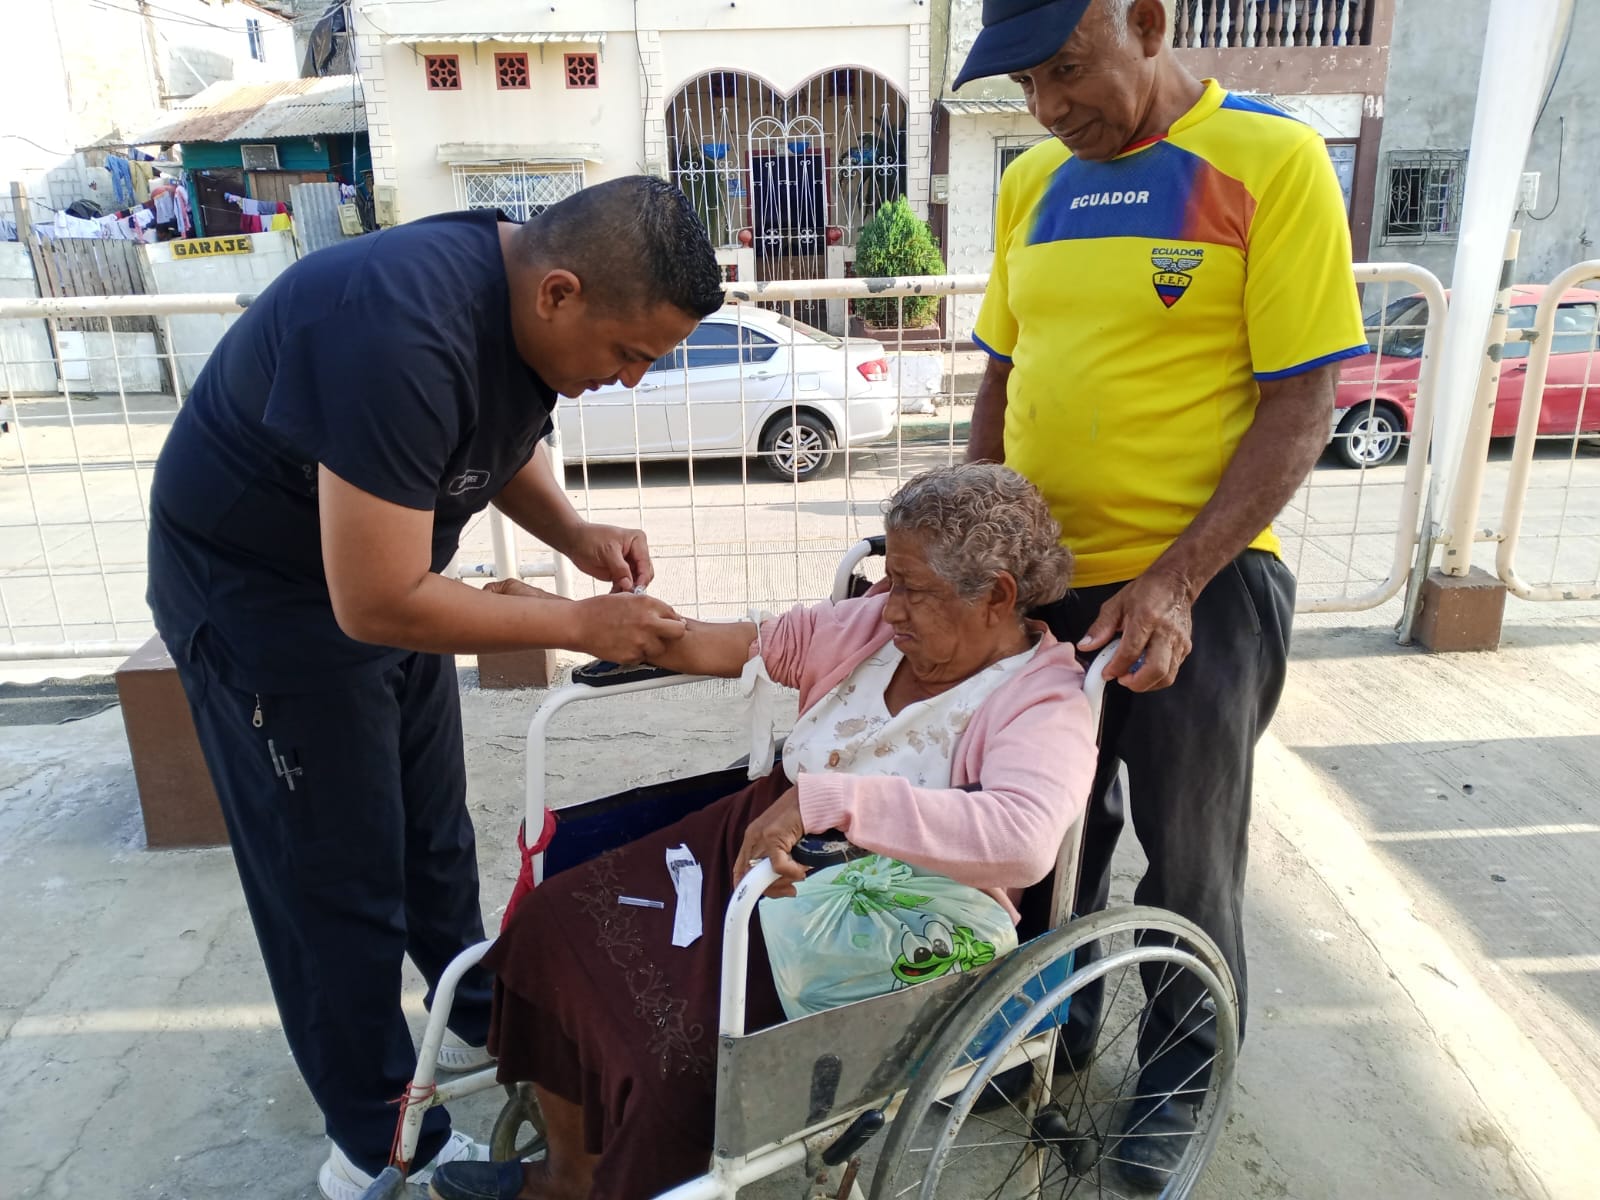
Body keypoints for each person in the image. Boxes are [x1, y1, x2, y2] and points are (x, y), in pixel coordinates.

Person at [145, 176, 726, 1200]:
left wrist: (574, 535)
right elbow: (376, 602)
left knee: (431, 836)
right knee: (336, 878)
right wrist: (577, 623)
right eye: (630, 352)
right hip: (266, 601)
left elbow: (495, 438)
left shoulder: (521, 305)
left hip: (395, 578)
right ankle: (375, 1140)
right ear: (558, 293)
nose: (632, 379)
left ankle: (473, 1010)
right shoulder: (395, 332)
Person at [427, 464, 1098, 1200]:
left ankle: (633, 1175)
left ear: (996, 595)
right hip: (747, 838)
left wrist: (832, 801)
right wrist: (569, 615)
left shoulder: (1043, 698)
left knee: (676, 1041)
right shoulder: (867, 629)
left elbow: (1023, 840)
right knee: (556, 921)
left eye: (913, 588)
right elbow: (706, 643)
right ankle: (571, 1176)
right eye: (890, 578)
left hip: (875, 911)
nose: (889, 603)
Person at [953, 0, 1367, 1187]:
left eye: (1066, 70)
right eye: (1025, 86)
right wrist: (972, 551)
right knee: (1041, 836)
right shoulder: (1032, 181)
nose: (1047, 108)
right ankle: (1054, 1030)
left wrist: (1176, 579)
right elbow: (1004, 378)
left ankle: (1182, 1078)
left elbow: (1301, 405)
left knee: (1186, 852)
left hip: (1206, 585)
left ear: (1147, 20)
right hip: (1044, 582)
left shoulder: (1270, 159)